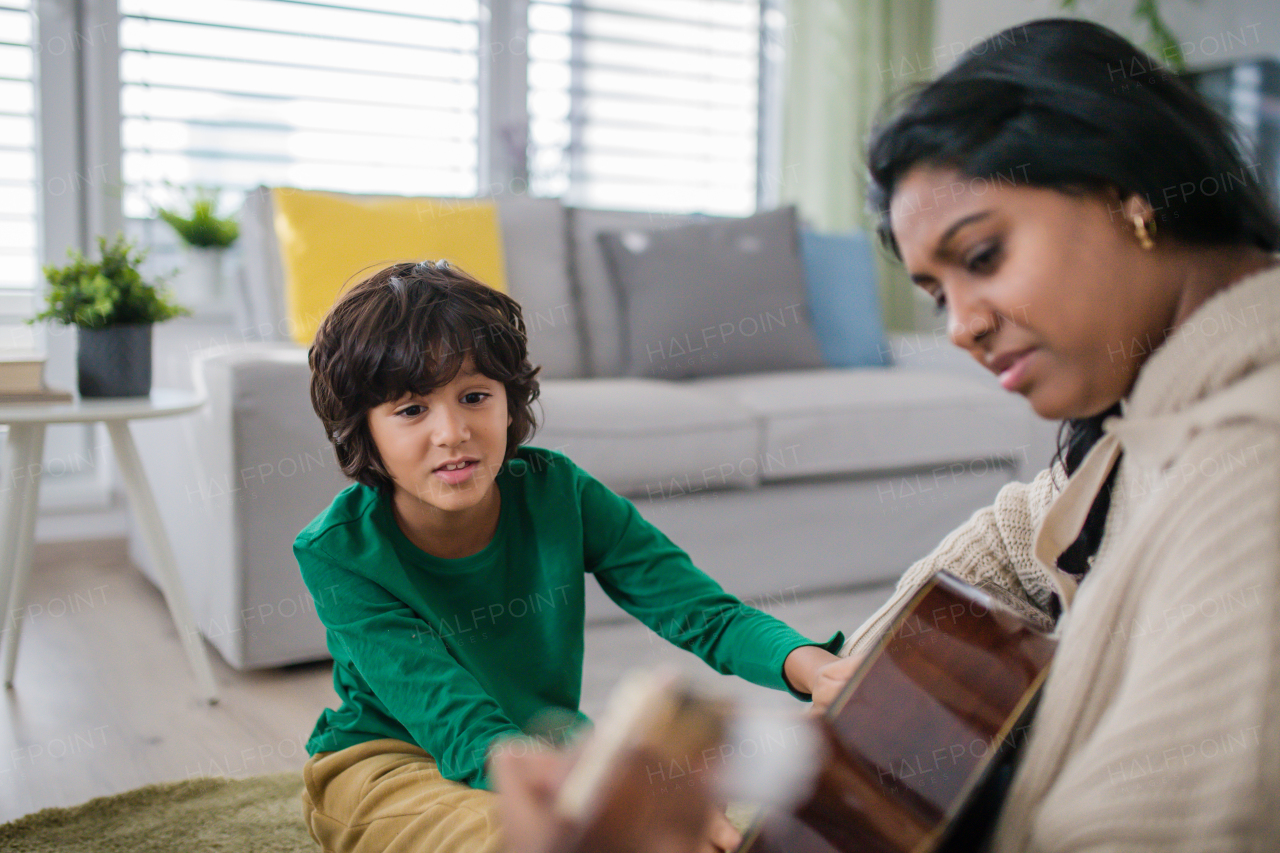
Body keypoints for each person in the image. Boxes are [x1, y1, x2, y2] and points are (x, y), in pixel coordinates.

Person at [496, 17, 1280, 852]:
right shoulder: (1145, 422)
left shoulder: (1250, 474)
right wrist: (864, 700)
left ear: (1135, 192)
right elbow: (1026, 531)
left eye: (981, 254)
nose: (959, 328)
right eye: (937, 293)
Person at [293, 259, 843, 853]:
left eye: (474, 396)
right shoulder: (337, 553)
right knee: (522, 839)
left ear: (510, 401)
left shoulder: (561, 493)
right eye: (411, 410)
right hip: (389, 763)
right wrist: (609, 802)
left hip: (543, 747)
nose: (452, 431)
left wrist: (808, 663)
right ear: (363, 430)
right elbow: (457, 724)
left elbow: (701, 610)